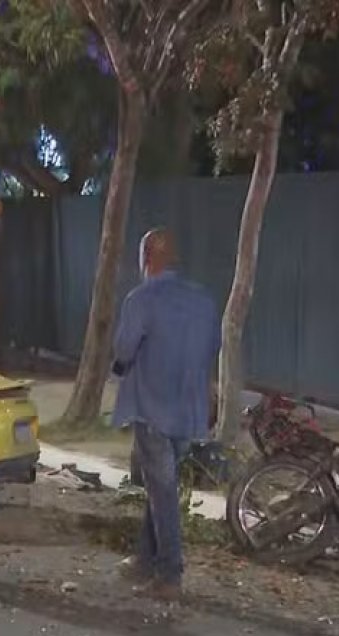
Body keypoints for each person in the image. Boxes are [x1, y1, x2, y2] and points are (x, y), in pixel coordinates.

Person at [112, 228, 221, 601]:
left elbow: (124, 350)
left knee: (162, 492)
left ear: (146, 258)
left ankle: (169, 573)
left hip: (153, 408)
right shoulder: (204, 300)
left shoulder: (140, 299)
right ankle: (145, 557)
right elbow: (212, 350)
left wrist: (120, 365)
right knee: (161, 488)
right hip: (190, 411)